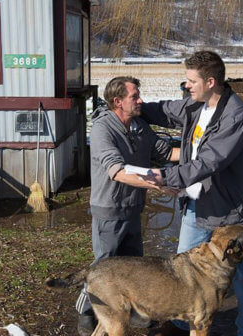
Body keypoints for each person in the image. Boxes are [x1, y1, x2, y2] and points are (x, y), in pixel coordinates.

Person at [141, 51, 243, 336]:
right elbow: (165, 110)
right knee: (184, 263)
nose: (186, 86)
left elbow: (209, 161)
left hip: (229, 208)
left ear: (210, 81)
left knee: (241, 273)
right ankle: (186, 320)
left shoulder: (236, 115)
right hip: (197, 200)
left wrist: (165, 175)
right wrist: (134, 107)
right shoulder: (196, 105)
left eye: (190, 80)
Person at [77, 76, 180, 336]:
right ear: (118, 101)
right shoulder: (103, 129)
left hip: (133, 208)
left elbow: (166, 152)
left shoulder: (138, 126)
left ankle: (134, 313)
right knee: (104, 269)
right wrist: (156, 184)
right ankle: (86, 314)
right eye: (135, 96)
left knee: (134, 267)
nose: (141, 100)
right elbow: (118, 172)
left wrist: (202, 153)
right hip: (109, 210)